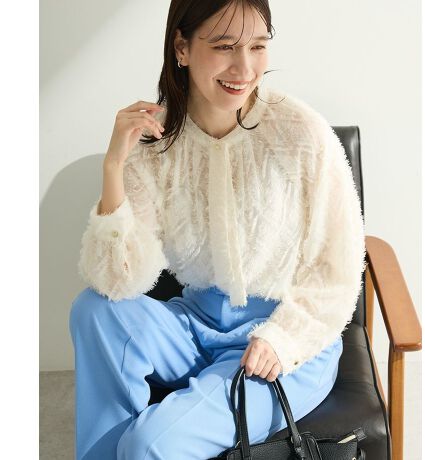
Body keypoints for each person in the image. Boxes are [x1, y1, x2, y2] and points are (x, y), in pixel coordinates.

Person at [69, 0, 367, 459]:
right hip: (196, 324)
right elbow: (117, 281)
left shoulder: (302, 134)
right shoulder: (155, 142)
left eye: (258, 46)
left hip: (284, 339)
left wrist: (282, 338)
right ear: (182, 48)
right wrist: (114, 166)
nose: (244, 68)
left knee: (147, 445)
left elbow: (338, 269)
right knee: (92, 310)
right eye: (225, 46)